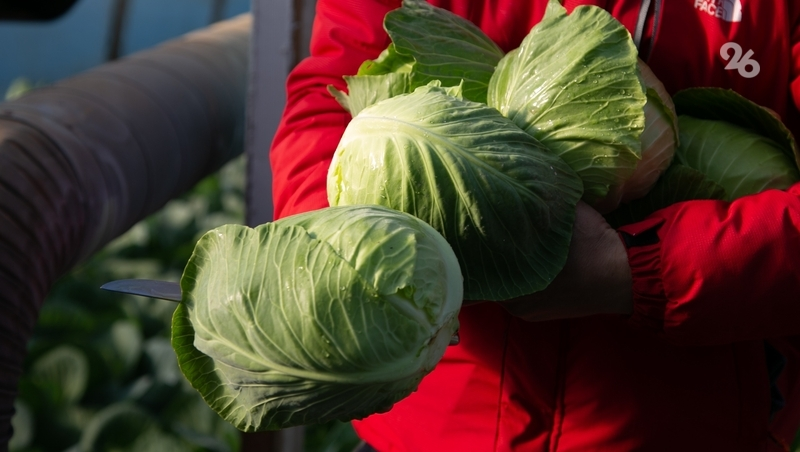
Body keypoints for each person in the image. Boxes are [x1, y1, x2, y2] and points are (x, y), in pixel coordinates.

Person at [269, 0, 800, 449]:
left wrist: (637, 270)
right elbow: (333, 91)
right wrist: (350, 253)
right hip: (438, 421)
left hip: (682, 423)